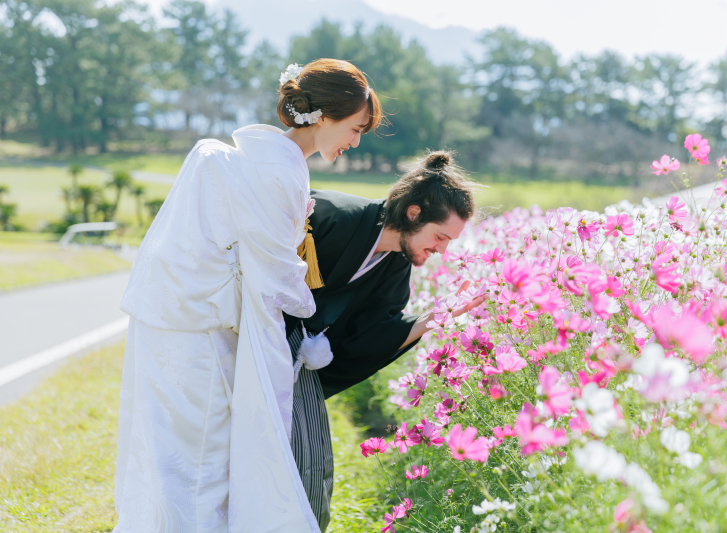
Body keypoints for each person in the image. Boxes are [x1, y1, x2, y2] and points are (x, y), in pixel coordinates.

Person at [113, 59, 382, 533]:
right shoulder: (282, 171)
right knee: (203, 455)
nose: (355, 141)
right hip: (203, 328)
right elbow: (277, 275)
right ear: (323, 116)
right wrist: (309, 318)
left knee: (170, 447)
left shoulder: (258, 155)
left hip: (173, 314)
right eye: (355, 128)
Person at [287, 151, 487, 531]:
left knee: (312, 469)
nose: (442, 249)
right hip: (247, 341)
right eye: (440, 236)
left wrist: (437, 315)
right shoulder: (330, 215)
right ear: (414, 213)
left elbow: (371, 337)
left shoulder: (395, 265)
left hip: (293, 366)